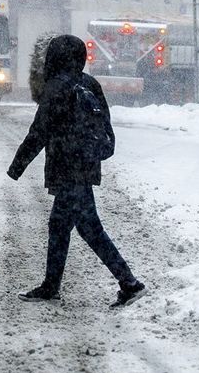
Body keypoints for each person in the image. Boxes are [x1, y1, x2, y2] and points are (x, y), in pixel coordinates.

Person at [8, 33, 145, 308]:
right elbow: (105, 127)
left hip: (67, 168)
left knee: (89, 228)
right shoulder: (89, 84)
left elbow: (39, 131)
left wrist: (17, 166)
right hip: (85, 165)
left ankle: (130, 283)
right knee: (60, 226)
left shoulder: (57, 87)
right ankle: (51, 285)